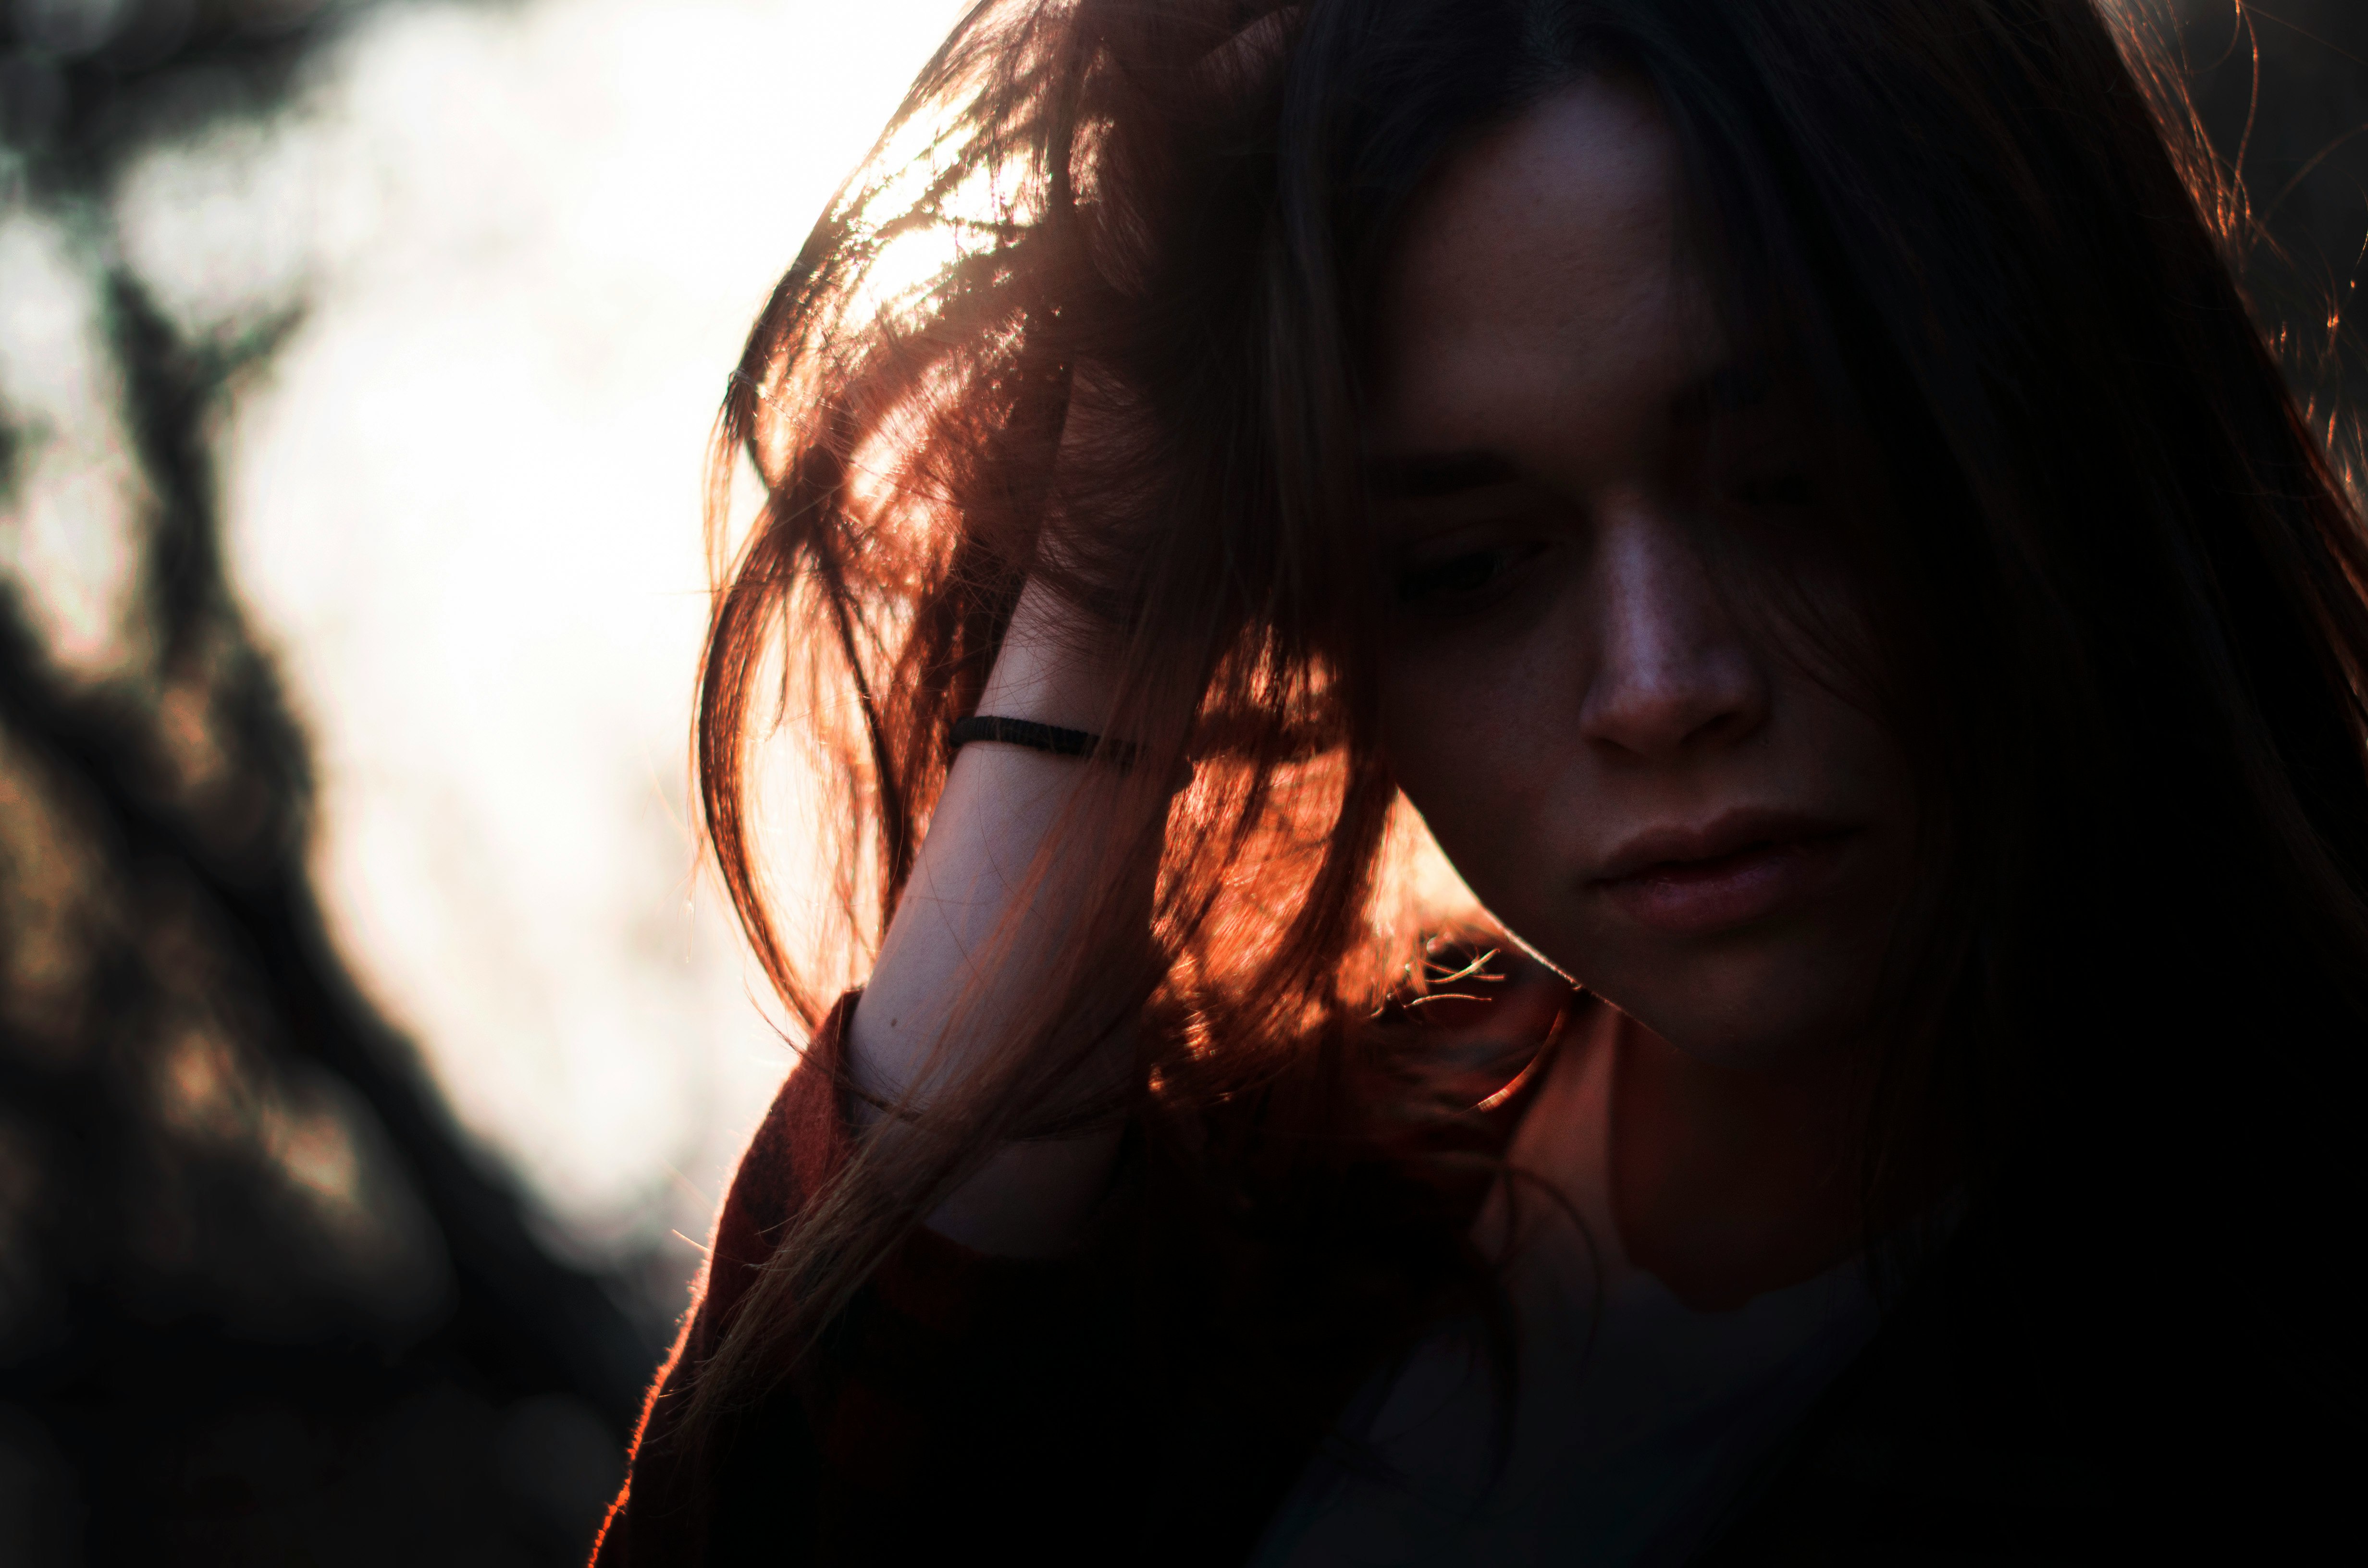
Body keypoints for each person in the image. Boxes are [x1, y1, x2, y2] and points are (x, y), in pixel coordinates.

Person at [594, 0, 2364, 1560]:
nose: (1662, 688)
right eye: (1466, 563)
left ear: (2045, 418)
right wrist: (1097, 606)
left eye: (1792, 482)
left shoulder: (2279, 1321)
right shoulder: (1287, 1224)